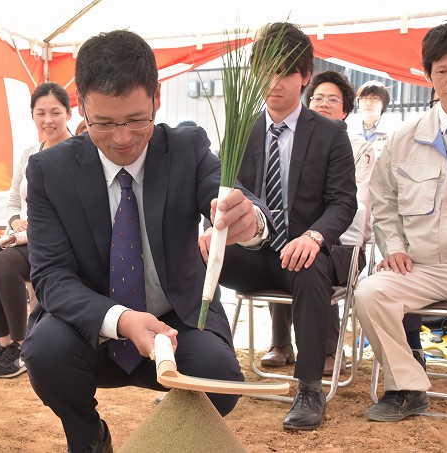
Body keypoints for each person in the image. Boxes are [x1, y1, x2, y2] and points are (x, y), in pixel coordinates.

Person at [21, 29, 269, 453]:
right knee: (45, 351)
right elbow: (50, 277)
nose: (123, 138)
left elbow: (227, 190)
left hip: (174, 324)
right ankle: (88, 435)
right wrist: (121, 319)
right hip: (89, 328)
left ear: (156, 98)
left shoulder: (186, 149)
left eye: (137, 119)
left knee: (220, 379)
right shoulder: (49, 170)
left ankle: (173, 440)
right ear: (80, 105)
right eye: (104, 122)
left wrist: (249, 218)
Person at [200, 22, 357, 430]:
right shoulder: (243, 131)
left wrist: (315, 235)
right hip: (258, 254)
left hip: (311, 255)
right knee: (198, 255)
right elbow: (224, 187)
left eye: (286, 71)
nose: (274, 83)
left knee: (305, 263)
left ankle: (308, 387)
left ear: (305, 77)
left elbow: (344, 202)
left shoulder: (330, 134)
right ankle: (202, 362)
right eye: (266, 70)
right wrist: (216, 228)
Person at [355, 15, 447, 422]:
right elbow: (383, 200)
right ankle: (407, 386)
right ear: (429, 76)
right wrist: (395, 248)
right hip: (424, 266)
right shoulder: (404, 139)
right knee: (371, 292)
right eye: (442, 70)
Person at [0, 82, 73, 379]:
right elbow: (14, 199)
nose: (48, 120)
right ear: (32, 115)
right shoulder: (29, 153)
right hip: (25, 235)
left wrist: (33, 228)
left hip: (58, 240)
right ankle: (3, 344)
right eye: (41, 113)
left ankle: (23, 346)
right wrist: (16, 221)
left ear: (68, 113)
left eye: (55, 112)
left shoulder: (77, 151)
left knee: (5, 262)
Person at [301, 70, 375, 376]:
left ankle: (330, 349)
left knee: (312, 254)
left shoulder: (359, 148)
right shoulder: (298, 143)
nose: (324, 104)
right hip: (304, 237)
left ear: (345, 109)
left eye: (333, 99)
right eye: (318, 98)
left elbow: (356, 205)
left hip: (345, 243)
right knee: (285, 246)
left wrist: (322, 232)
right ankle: (280, 344)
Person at [355, 80, 391, 155]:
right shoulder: (349, 131)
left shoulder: (392, 133)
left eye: (375, 98)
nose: (368, 103)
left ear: (384, 103)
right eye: (364, 98)